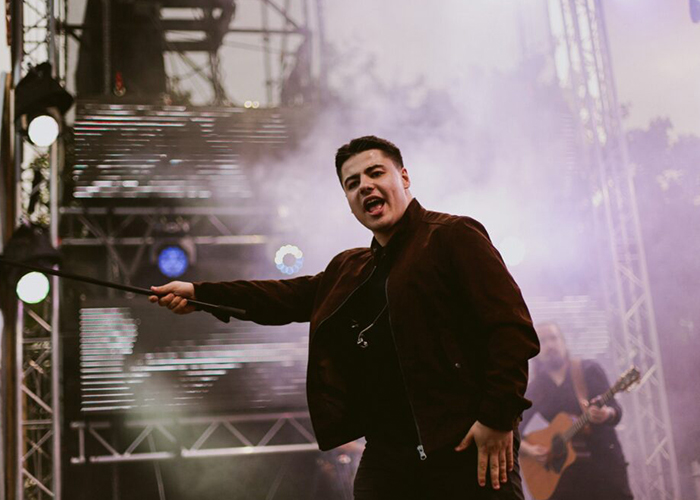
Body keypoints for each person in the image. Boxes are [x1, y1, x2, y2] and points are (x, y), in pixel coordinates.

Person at [150, 136, 540, 499]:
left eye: (375, 173)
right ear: (349, 202)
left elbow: (510, 329)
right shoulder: (351, 269)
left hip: (462, 443)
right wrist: (202, 294)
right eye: (352, 183)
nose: (364, 186)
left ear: (404, 177)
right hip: (389, 455)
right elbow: (283, 297)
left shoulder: (452, 236)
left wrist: (497, 418)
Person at [519, 322, 634, 500]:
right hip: (564, 480)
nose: (550, 345)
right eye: (543, 341)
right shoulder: (536, 388)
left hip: (604, 466)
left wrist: (606, 414)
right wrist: (531, 450)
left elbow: (615, 410)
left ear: (563, 342)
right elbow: (512, 430)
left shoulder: (588, 370)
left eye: (553, 338)